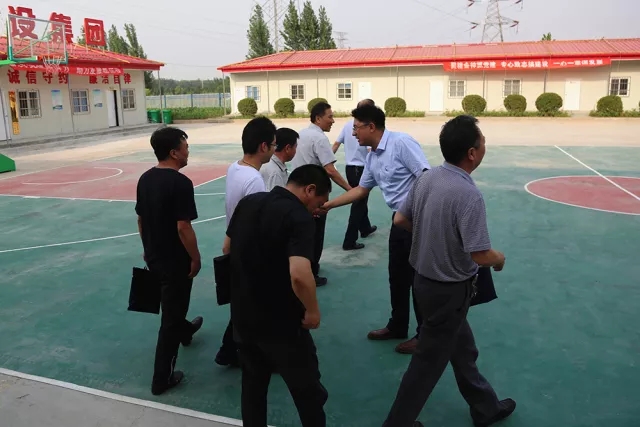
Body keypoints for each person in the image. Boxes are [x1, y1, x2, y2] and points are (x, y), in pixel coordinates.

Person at [381, 115, 515, 427]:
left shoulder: (427, 178)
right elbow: (479, 253)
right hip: (449, 292)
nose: (484, 146)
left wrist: (431, 235)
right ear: (472, 153)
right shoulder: (468, 194)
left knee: (463, 348)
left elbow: (400, 219)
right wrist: (498, 258)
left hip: (424, 283)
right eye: (482, 142)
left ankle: (486, 407)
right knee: (426, 364)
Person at [223, 164, 332, 427]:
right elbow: (299, 274)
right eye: (319, 203)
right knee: (308, 392)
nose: (318, 210)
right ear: (309, 190)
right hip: (281, 323)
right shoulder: (299, 218)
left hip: (244, 316)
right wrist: (312, 311)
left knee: (253, 388)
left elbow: (227, 248)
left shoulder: (248, 203)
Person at [317, 104, 430, 354]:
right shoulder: (372, 156)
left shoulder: (401, 143)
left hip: (418, 220)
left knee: (419, 280)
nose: (353, 133)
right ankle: (397, 325)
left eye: (356, 128)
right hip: (399, 221)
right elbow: (361, 189)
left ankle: (425, 336)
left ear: (371, 127)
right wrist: (328, 205)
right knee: (397, 276)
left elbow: (425, 177)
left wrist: (411, 212)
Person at [134, 126, 203, 395]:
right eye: (185, 147)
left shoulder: (145, 179)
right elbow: (183, 227)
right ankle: (161, 379)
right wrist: (195, 258)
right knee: (171, 318)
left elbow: (141, 219)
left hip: (154, 256)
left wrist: (146, 247)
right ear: (174, 152)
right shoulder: (181, 183)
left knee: (171, 304)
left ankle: (186, 331)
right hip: (175, 261)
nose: (188, 151)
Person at [216, 116, 277, 368]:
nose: (274, 150)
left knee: (244, 305)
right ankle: (251, 355)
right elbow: (256, 224)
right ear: (263, 146)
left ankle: (228, 351)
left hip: (235, 242)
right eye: (273, 145)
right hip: (249, 250)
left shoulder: (235, 168)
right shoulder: (254, 181)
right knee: (257, 307)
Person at [291, 101, 351, 286]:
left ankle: (303, 268)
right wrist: (350, 190)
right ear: (318, 118)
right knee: (315, 235)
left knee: (301, 235)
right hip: (314, 195)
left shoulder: (302, 134)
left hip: (298, 192)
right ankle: (312, 272)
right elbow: (330, 170)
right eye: (330, 116)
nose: (333, 120)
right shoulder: (319, 138)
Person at [332, 99, 377, 250]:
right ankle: (349, 241)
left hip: (350, 169)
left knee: (361, 201)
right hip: (362, 168)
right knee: (358, 203)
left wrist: (327, 160)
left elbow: (336, 144)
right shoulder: (368, 128)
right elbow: (371, 150)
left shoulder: (347, 125)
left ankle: (365, 228)